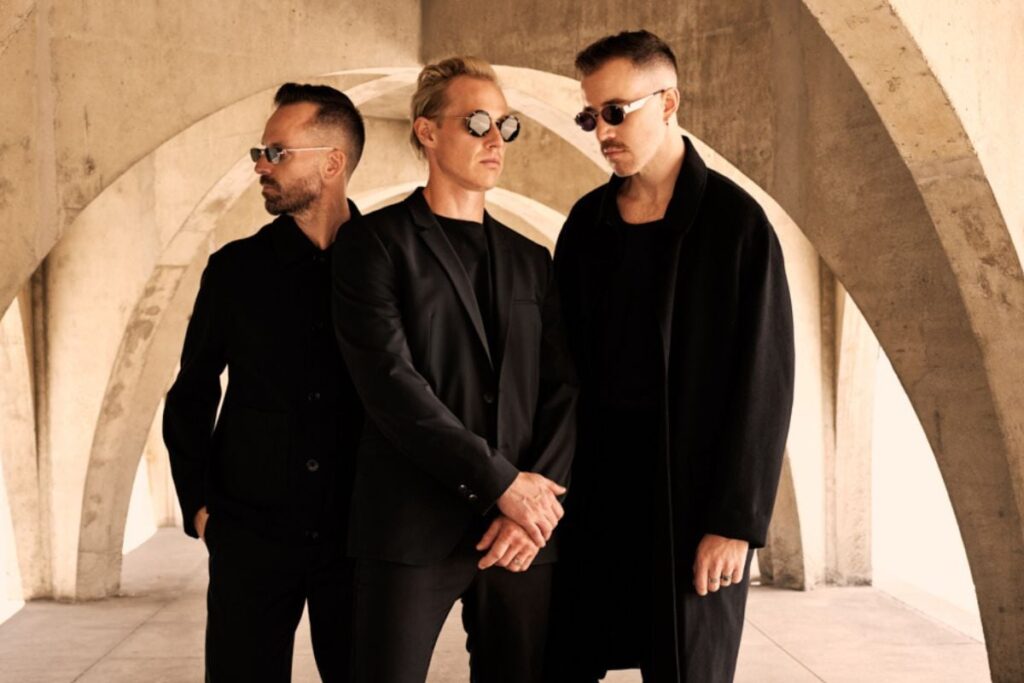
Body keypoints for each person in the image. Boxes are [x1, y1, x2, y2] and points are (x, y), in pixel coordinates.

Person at [547, 30, 795, 682]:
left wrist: (735, 523)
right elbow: (559, 369)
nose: (602, 131)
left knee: (687, 668)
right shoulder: (586, 224)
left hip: (691, 502)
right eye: (590, 116)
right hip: (595, 495)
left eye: (616, 111)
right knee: (564, 658)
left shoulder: (736, 225)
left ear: (669, 102)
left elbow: (764, 385)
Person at [331, 56, 577, 683]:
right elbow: (390, 385)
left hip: (521, 533)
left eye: (505, 125)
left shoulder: (532, 260)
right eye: (476, 122)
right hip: (410, 525)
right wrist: (501, 482)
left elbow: (563, 388)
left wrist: (535, 502)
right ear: (427, 131)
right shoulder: (373, 244)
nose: (496, 139)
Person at [163, 83, 365, 682]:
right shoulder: (235, 270)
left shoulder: (388, 261)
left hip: (359, 539)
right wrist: (201, 509)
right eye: (261, 152)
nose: (260, 165)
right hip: (250, 537)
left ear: (332, 163)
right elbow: (192, 392)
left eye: (277, 152)